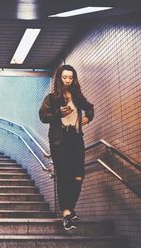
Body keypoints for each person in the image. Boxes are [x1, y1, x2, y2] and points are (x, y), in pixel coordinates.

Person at [39, 65, 94, 231]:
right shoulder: (52, 98)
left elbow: (90, 107)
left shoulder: (77, 96)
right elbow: (43, 116)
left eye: (70, 77)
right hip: (59, 140)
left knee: (78, 175)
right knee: (64, 175)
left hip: (76, 138)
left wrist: (88, 117)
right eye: (65, 77)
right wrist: (58, 114)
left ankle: (70, 207)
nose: (68, 80)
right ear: (59, 78)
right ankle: (66, 212)